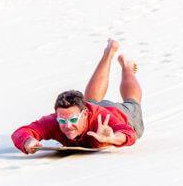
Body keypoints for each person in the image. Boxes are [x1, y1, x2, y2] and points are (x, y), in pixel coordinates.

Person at [11, 39, 144, 154]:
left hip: (119, 113)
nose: (67, 126)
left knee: (132, 102)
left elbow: (128, 133)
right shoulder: (54, 121)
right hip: (93, 106)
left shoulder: (103, 120)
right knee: (91, 100)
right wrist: (27, 140)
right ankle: (108, 53)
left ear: (85, 114)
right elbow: (20, 132)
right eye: (62, 121)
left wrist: (112, 138)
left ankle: (127, 66)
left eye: (73, 120)